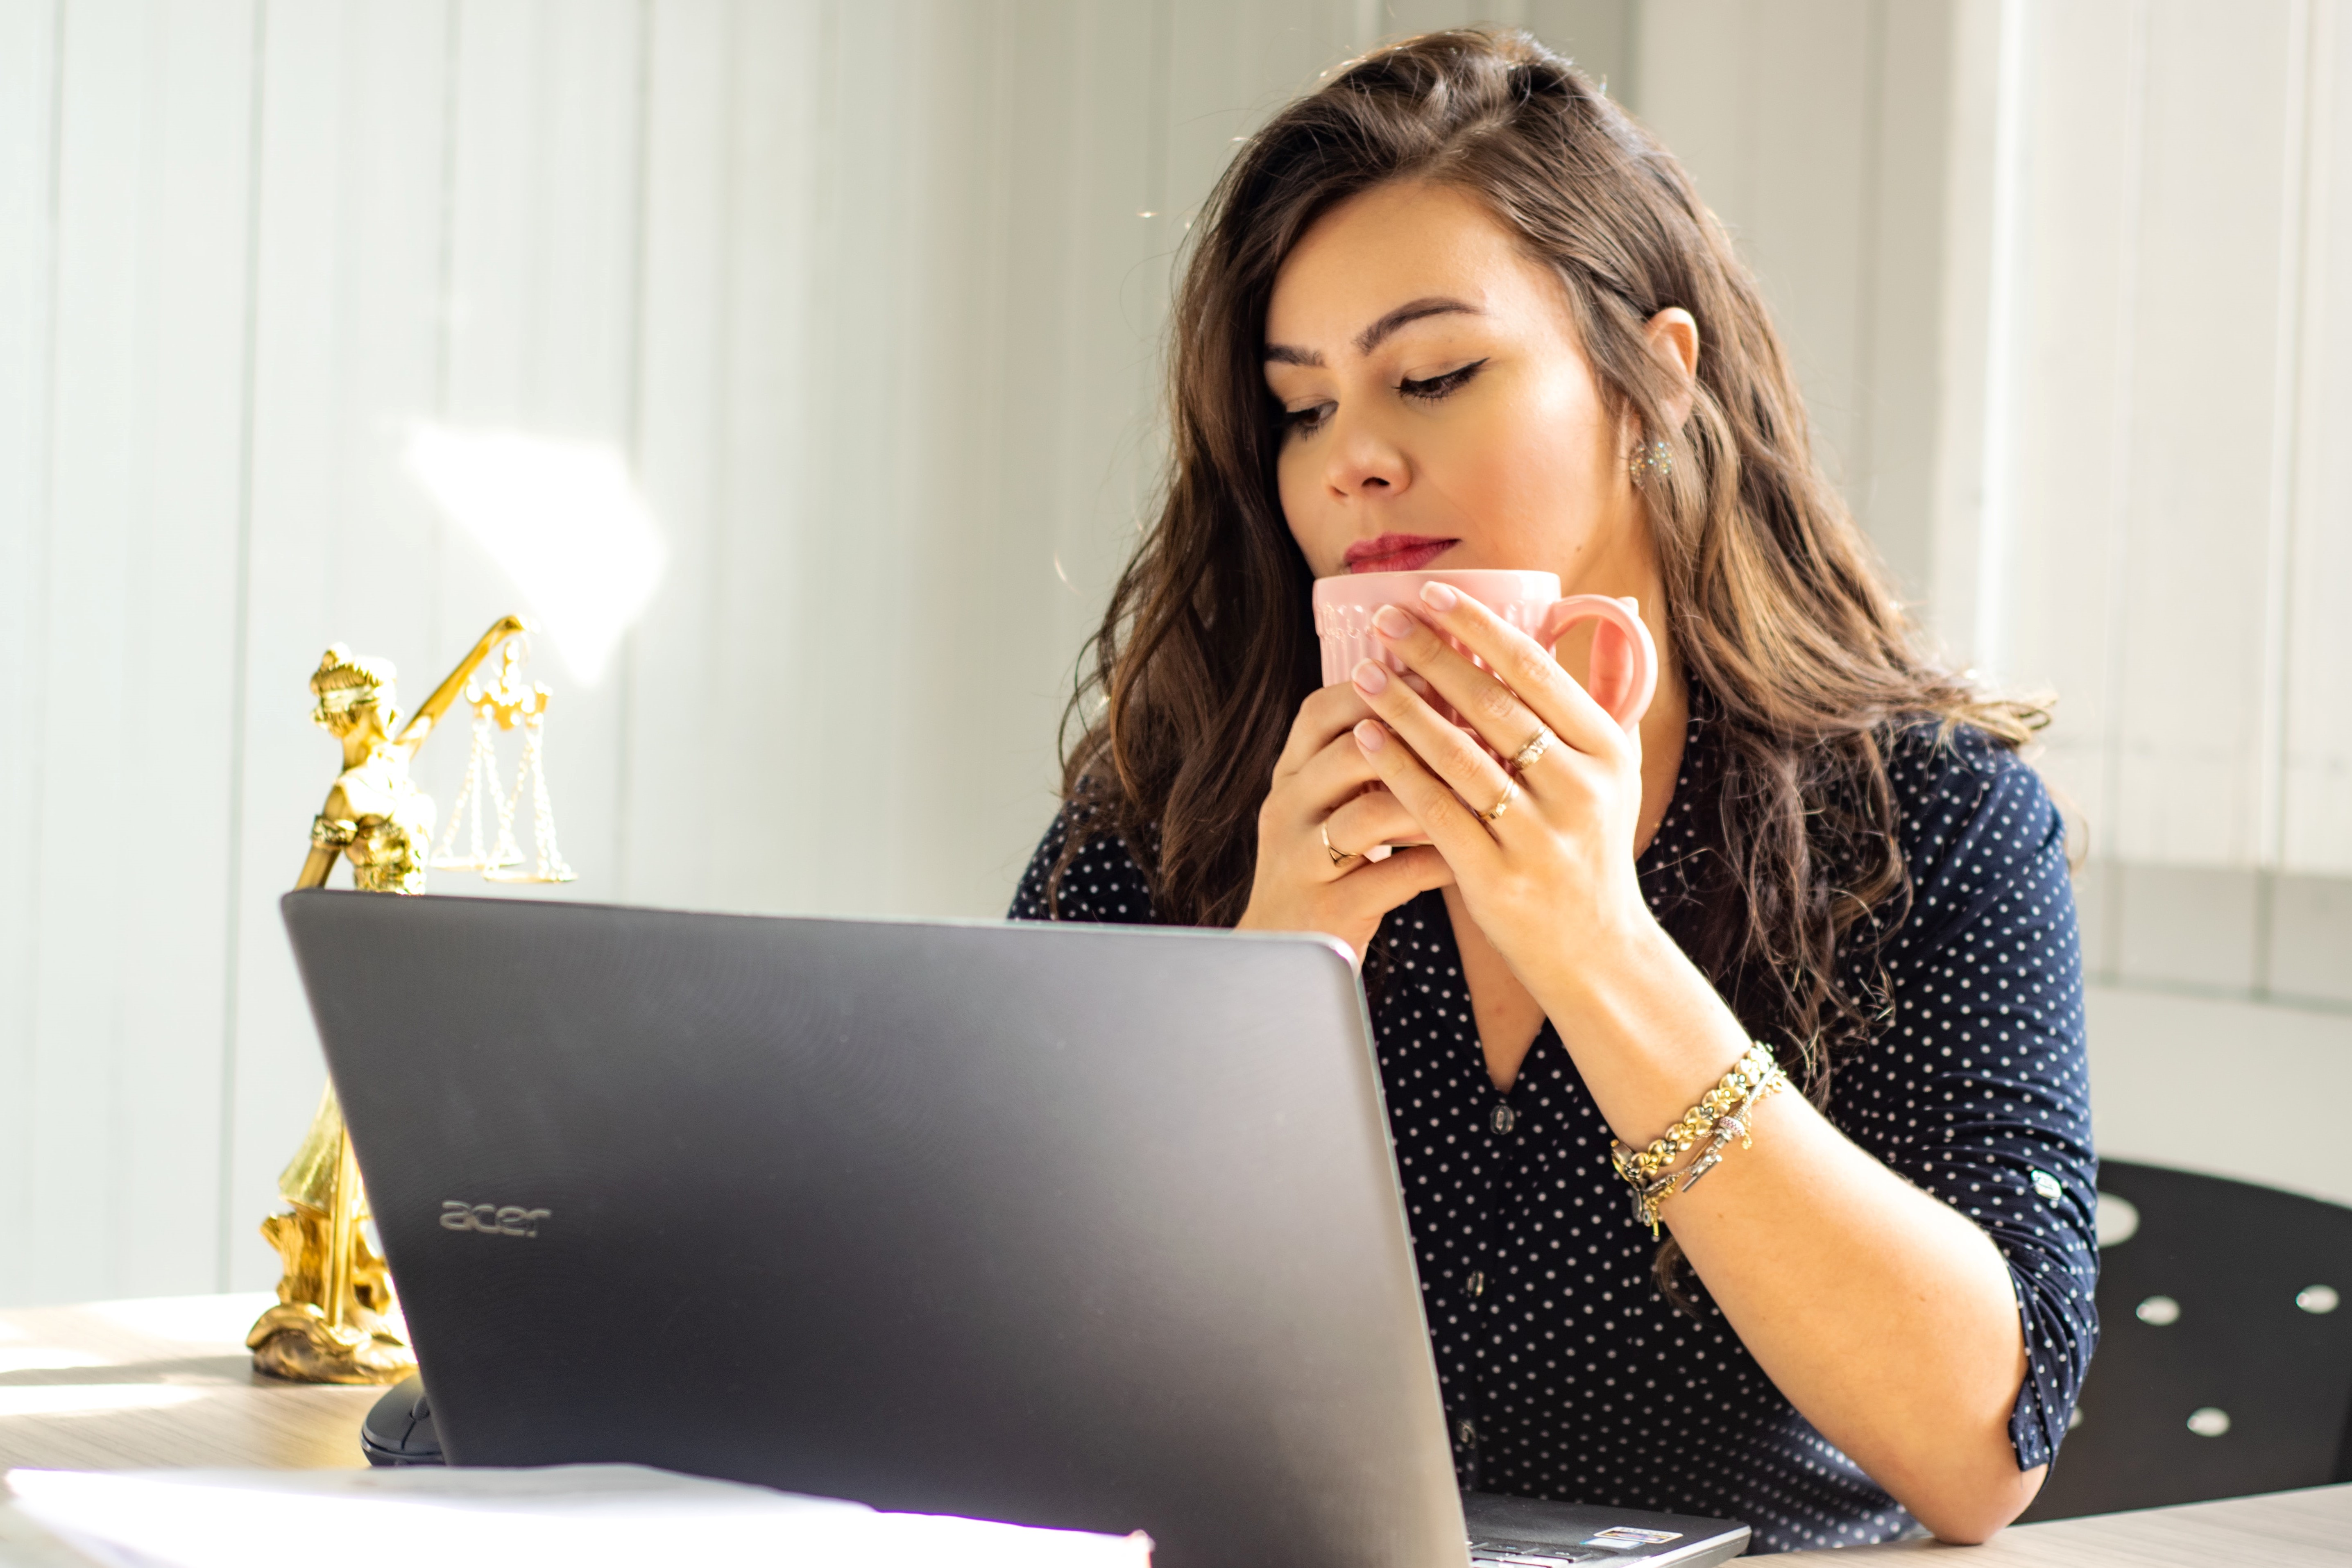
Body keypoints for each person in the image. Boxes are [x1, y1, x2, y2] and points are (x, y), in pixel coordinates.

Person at [1009, 28, 2094, 1554]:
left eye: (1435, 375)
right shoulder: (1174, 808)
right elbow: (1007, 1387)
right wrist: (1255, 990)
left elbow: (1982, 1447)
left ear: (1652, 381)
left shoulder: (1931, 825)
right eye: (1302, 407)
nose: (1352, 462)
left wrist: (1599, 944)